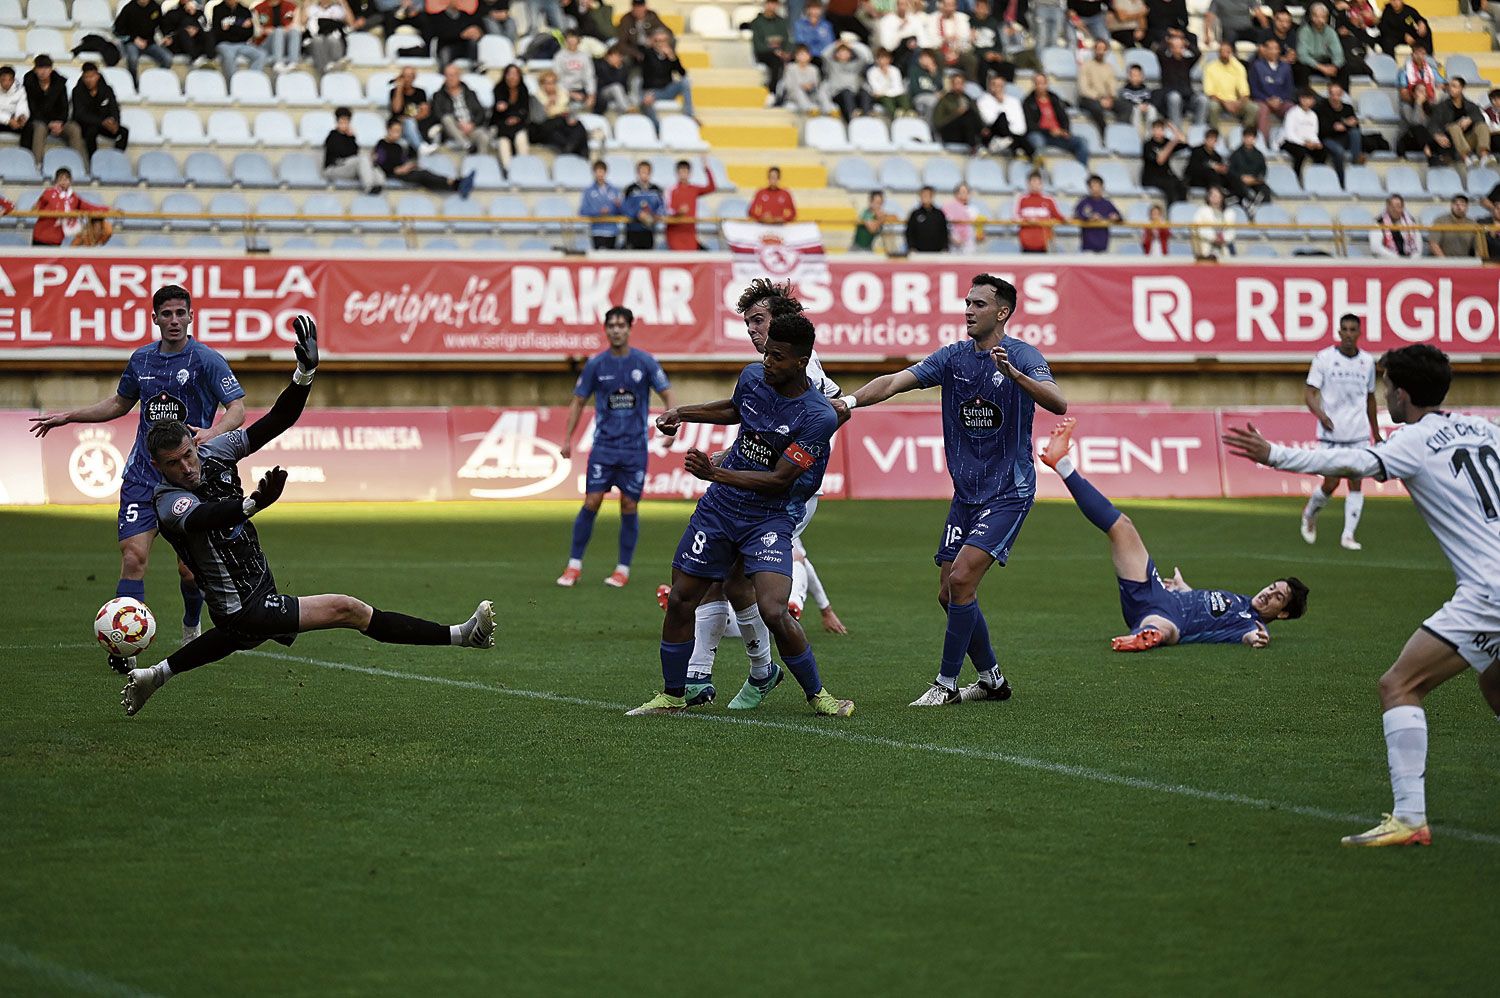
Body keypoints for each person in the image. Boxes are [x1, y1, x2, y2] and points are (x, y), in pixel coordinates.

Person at [120, 316, 496, 717]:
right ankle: (462, 636)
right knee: (347, 609)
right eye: (174, 464)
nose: (187, 467)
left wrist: (305, 373)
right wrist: (250, 505)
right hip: (241, 605)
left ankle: (155, 675)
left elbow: (277, 421)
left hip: (256, 590)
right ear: (159, 468)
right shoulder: (166, 499)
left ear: (195, 441)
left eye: (189, 454)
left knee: (234, 638)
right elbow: (202, 519)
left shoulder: (215, 451)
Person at [1223, 345, 1500, 847]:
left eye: (1387, 385)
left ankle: (1410, 820)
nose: (1384, 394)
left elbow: (1349, 460)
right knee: (1496, 688)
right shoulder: (1488, 431)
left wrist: (1275, 455)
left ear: (1404, 394)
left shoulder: (1414, 440)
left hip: (1489, 590)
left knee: (1400, 685)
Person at [837, 275, 1067, 706]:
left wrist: (1015, 376)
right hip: (967, 494)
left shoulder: (1023, 356)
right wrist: (848, 403)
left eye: (979, 304)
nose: (968, 310)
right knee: (948, 593)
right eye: (966, 302)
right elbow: (893, 381)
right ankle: (992, 679)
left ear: (1002, 312)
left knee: (961, 580)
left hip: (1009, 492)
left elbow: (1058, 402)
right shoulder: (953, 358)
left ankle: (945, 685)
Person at [633, 314, 854, 718]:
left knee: (773, 609)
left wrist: (713, 472)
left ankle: (819, 695)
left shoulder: (817, 416)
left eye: (778, 357)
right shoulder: (753, 376)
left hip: (768, 517)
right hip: (719, 510)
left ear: (801, 362)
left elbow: (779, 480)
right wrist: (682, 413)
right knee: (682, 598)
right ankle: (672, 695)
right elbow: (736, 408)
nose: (767, 361)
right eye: (767, 352)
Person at [29, 284, 246, 671]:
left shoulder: (207, 360)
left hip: (188, 479)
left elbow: (237, 409)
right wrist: (69, 416)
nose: (174, 321)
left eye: (181, 313)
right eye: (167, 314)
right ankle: (123, 649)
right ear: (155, 319)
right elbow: (118, 403)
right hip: (143, 477)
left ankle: (191, 624)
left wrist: (211, 435)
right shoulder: (142, 360)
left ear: (191, 317)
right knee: (134, 556)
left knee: (190, 570)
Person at [1040, 416, 1307, 655]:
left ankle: (1145, 635)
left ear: (1282, 614)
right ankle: (1061, 463)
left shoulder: (1251, 623)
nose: (1268, 594)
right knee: (1122, 527)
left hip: (1166, 616)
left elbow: (1253, 637)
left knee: (1165, 629)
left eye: (1277, 598)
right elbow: (1205, 611)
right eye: (1272, 587)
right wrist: (1184, 588)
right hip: (1157, 593)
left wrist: (1258, 638)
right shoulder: (1238, 600)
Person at [557, 307, 674, 589]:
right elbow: (578, 401)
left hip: (634, 449)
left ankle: (622, 569)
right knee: (592, 502)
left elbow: (667, 393)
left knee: (629, 504)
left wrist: (672, 426)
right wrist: (567, 439)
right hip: (604, 447)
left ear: (629, 328)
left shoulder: (644, 362)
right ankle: (574, 565)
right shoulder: (596, 365)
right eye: (611, 325)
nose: (616, 330)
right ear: (606, 329)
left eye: (621, 325)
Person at [1298, 314, 1380, 550]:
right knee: (1331, 483)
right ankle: (1310, 512)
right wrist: (1322, 416)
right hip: (1331, 433)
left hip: (1358, 433)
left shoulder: (1367, 361)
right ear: (1339, 332)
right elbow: (1309, 393)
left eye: (1353, 329)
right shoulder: (1324, 358)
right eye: (1344, 329)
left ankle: (1348, 535)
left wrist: (1375, 432)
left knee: (1356, 481)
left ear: (1359, 333)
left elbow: (1371, 399)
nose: (1348, 334)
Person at [372, 118, 476, 195]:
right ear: (388, 130)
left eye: (399, 131)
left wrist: (409, 165)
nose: (397, 134)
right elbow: (381, 163)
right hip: (392, 174)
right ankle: (456, 183)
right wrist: (396, 170)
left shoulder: (398, 146)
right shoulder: (381, 144)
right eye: (394, 131)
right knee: (424, 174)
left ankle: (455, 184)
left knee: (426, 175)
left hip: (403, 171)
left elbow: (402, 160)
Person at [20, 56, 86, 168]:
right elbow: (32, 109)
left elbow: (64, 107)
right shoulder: (29, 82)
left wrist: (60, 122)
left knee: (74, 128)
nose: (43, 72)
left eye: (46, 68)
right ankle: (37, 165)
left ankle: (79, 164)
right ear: (35, 69)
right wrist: (48, 123)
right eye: (40, 68)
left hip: (58, 121)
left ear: (51, 69)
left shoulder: (59, 83)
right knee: (40, 128)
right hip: (39, 120)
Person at [1427, 77, 1490, 180]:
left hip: (1468, 140)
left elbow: (1481, 117)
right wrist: (1437, 135)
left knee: (1482, 126)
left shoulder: (1470, 105)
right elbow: (1432, 124)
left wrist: (1470, 119)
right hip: (1452, 143)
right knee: (1454, 126)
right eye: (1450, 86)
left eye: (1455, 86)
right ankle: (1466, 158)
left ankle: (1484, 156)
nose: (1451, 89)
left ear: (1461, 88)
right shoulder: (1442, 106)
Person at [28, 167, 108, 247]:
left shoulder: (74, 198)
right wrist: (35, 208)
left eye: (66, 179)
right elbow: (36, 208)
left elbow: (89, 207)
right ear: (56, 181)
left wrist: (108, 209)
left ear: (70, 181)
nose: (63, 182)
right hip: (40, 236)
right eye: (60, 179)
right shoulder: (48, 193)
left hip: (56, 239)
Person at [1022, 73, 1089, 165]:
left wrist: (1064, 130)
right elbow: (1029, 125)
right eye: (1038, 83)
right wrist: (1049, 131)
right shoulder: (1028, 102)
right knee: (1037, 142)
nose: (1040, 86)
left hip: (1058, 135)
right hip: (1040, 134)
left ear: (1047, 84)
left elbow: (1064, 118)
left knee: (1082, 142)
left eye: (1043, 83)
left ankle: (1081, 172)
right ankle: (1039, 174)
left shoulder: (1055, 99)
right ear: (1034, 85)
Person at [640, 28, 696, 129]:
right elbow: (650, 74)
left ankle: (689, 115)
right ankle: (657, 128)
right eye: (658, 41)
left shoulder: (671, 56)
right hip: (653, 90)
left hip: (667, 89)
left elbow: (682, 73)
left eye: (663, 40)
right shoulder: (648, 54)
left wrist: (673, 58)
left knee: (685, 82)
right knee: (646, 101)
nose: (661, 43)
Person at [71, 62, 129, 156]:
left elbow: (114, 108)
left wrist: (115, 122)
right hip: (86, 125)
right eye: (86, 77)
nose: (89, 80)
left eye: (92, 76)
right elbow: (80, 114)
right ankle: (93, 161)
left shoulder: (107, 90)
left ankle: (117, 158)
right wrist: (102, 122)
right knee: (91, 132)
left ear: (97, 76)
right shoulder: (77, 91)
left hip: (104, 124)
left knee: (124, 132)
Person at [323, 106, 382, 194]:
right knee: (362, 159)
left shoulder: (350, 137)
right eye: (341, 121)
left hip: (347, 166)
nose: (344, 124)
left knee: (369, 161)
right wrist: (350, 139)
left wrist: (351, 138)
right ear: (337, 122)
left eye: (346, 121)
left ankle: (379, 185)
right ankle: (368, 187)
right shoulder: (332, 136)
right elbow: (342, 153)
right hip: (333, 169)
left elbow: (354, 152)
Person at [1203, 39, 1257, 132]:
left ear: (1232, 52)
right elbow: (1210, 93)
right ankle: (1214, 134)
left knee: (1253, 108)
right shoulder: (1210, 67)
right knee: (1213, 106)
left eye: (1227, 51)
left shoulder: (1239, 67)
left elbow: (1245, 92)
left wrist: (1239, 102)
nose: (1224, 54)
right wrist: (1225, 103)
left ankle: (1245, 135)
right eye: (1222, 51)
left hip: (1236, 102)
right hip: (1219, 102)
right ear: (1218, 53)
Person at [532, 70, 589, 157]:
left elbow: (569, 109)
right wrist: (548, 104)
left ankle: (582, 153)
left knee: (579, 126)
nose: (551, 86)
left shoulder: (562, 93)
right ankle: (569, 150)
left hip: (563, 121)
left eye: (553, 82)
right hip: (546, 124)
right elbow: (538, 118)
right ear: (542, 85)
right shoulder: (536, 97)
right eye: (548, 83)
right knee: (557, 131)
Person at [1153, 30, 1205, 126]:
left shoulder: (1187, 61)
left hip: (1187, 97)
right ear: (1171, 48)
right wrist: (1168, 41)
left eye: (1180, 47)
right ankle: (1177, 128)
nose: (1178, 49)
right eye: (1175, 47)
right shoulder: (1165, 61)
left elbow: (1197, 53)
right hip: (1170, 96)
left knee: (1202, 99)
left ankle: (1198, 128)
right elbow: (1159, 51)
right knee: (1175, 97)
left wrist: (1186, 43)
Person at [1248, 37, 1293, 145]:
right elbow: (1253, 89)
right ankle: (1263, 142)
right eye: (1270, 48)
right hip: (1262, 100)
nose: (1273, 51)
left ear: (1279, 51)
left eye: (1276, 48)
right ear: (1265, 50)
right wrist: (1267, 100)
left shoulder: (1286, 67)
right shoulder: (1256, 66)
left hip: (1280, 101)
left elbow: (1289, 88)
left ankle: (1288, 140)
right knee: (1262, 110)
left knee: (1293, 109)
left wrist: (1280, 99)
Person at [114, 0, 173, 82]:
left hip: (149, 43)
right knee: (133, 59)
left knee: (168, 58)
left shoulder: (155, 7)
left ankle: (157, 81)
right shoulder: (129, 8)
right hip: (132, 42)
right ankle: (134, 84)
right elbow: (117, 30)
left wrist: (166, 36)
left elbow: (162, 25)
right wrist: (134, 39)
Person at [665, 157, 716, 251]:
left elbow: (712, 188)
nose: (683, 174)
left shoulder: (694, 189)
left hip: (690, 233)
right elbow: (667, 211)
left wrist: (706, 169)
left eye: (685, 171)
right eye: (681, 172)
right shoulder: (671, 190)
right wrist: (678, 212)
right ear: (677, 173)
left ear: (690, 173)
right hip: (675, 233)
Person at [1282, 89, 1332, 180]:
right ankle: (1296, 177)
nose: (1308, 101)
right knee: (1300, 153)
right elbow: (1289, 134)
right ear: (1301, 99)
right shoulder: (1292, 113)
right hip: (1290, 142)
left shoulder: (1313, 115)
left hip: (1308, 143)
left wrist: (1316, 143)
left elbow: (1313, 133)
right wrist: (1304, 143)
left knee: (1323, 152)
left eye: (1310, 99)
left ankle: (1317, 176)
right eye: (1305, 99)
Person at [213, 0, 268, 80]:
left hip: (242, 44)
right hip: (224, 44)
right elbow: (217, 32)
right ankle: (233, 84)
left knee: (261, 55)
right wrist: (240, 26)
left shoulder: (245, 11)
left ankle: (251, 81)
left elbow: (249, 33)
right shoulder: (218, 9)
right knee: (229, 56)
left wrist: (230, 27)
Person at [751, 0, 794, 102]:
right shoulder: (757, 22)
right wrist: (774, 50)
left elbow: (787, 39)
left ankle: (789, 94)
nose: (772, 6)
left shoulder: (781, 21)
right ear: (765, 5)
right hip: (764, 53)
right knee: (776, 61)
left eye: (774, 4)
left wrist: (787, 52)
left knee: (797, 60)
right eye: (770, 3)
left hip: (780, 52)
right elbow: (757, 44)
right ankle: (772, 91)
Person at [820, 41, 872, 123]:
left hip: (854, 94)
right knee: (846, 92)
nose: (843, 54)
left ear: (850, 54)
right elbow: (824, 55)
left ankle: (867, 118)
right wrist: (835, 45)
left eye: (845, 52)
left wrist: (852, 46)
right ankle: (852, 120)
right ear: (836, 54)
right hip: (839, 95)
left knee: (864, 92)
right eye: (840, 52)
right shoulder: (832, 65)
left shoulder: (856, 65)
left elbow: (864, 57)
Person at [488, 64, 529, 169]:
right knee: (503, 143)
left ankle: (523, 167)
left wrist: (516, 118)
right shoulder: (498, 89)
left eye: (515, 74)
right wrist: (500, 109)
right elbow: (496, 114)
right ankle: (508, 170)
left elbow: (525, 111)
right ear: (505, 76)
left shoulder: (523, 90)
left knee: (521, 138)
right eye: (509, 74)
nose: (512, 77)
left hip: (518, 125)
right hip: (502, 126)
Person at [1297, 3, 1346, 89]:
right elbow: (1302, 56)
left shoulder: (1330, 32)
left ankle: (1341, 96)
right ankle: (1306, 98)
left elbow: (1338, 53)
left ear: (1327, 18)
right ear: (1311, 17)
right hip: (1310, 64)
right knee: (1301, 68)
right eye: (1316, 16)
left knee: (1343, 67)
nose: (1320, 20)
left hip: (1324, 61)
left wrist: (1334, 66)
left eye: (1323, 17)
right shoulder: (1304, 31)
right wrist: (1322, 68)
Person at [1077, 38, 1120, 133]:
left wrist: (1111, 98)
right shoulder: (1086, 66)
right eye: (1098, 49)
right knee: (1096, 107)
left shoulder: (1109, 67)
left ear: (1106, 51)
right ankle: (1104, 132)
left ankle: (1120, 132)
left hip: (1106, 99)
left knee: (1126, 106)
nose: (1100, 52)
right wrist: (1100, 99)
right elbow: (1083, 89)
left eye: (1103, 49)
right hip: (1089, 99)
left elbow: (1112, 85)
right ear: (1094, 50)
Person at [932, 71, 984, 150]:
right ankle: (974, 147)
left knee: (971, 114)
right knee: (968, 114)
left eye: (960, 83)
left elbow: (977, 116)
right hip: (950, 131)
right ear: (951, 85)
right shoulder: (945, 100)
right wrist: (956, 114)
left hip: (966, 131)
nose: (958, 86)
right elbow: (938, 123)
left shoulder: (969, 99)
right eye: (956, 83)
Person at [1015, 170, 1065, 253]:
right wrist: (1028, 221)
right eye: (1032, 182)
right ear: (1028, 183)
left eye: (1037, 183)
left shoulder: (1049, 200)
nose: (1035, 185)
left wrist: (1066, 218)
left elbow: (1058, 216)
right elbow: (1015, 218)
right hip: (1026, 243)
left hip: (1044, 243)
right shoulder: (1021, 199)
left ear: (1041, 184)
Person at [389, 66, 435, 154]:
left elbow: (424, 112)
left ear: (414, 78)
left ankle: (421, 147)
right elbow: (396, 109)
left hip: (417, 125)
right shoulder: (394, 92)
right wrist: (399, 89)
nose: (407, 79)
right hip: (400, 127)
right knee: (408, 122)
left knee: (410, 122)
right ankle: (421, 147)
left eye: (410, 76)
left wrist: (410, 118)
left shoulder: (421, 92)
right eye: (404, 76)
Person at [1317, 83, 1363, 169]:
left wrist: (1344, 125)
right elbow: (1322, 129)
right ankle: (1341, 179)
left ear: (1342, 94)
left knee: (1355, 133)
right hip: (1328, 138)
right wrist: (1337, 127)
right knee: (1339, 151)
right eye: (1332, 94)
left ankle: (1355, 164)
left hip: (1344, 138)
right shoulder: (1322, 108)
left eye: (1337, 94)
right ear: (1329, 94)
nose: (1335, 97)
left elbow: (1355, 126)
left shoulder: (1348, 108)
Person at [1141, 117, 1186, 204]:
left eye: (1161, 129)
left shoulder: (1166, 141)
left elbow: (1184, 141)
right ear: (1152, 130)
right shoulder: (1148, 145)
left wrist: (1173, 128)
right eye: (1156, 129)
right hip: (1151, 178)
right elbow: (1160, 160)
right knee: (1170, 186)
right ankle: (1171, 212)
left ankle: (1181, 211)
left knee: (1182, 185)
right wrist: (1173, 142)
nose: (1158, 132)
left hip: (1166, 175)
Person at [621, 159, 665, 249]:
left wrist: (656, 215)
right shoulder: (630, 189)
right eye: (642, 172)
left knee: (647, 259)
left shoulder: (656, 189)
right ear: (637, 173)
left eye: (646, 172)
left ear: (650, 173)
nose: (644, 175)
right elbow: (625, 207)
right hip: (633, 231)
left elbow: (662, 207)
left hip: (649, 231)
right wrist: (637, 214)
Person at [977, 72, 1025, 154]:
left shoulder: (1014, 102)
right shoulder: (983, 100)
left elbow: (1021, 126)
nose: (997, 88)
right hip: (994, 133)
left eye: (1000, 86)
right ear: (989, 86)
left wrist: (1010, 135)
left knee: (1021, 140)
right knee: (1002, 116)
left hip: (1012, 134)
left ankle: (1034, 157)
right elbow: (989, 120)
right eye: (994, 85)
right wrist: (1000, 103)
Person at [579, 159, 622, 250]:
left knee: (611, 260)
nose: (600, 174)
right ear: (594, 173)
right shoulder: (588, 191)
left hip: (612, 230)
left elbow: (621, 211)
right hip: (596, 230)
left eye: (602, 171)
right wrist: (598, 212)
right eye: (597, 171)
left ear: (606, 172)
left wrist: (618, 206)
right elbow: (583, 211)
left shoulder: (614, 190)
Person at [1074, 173, 1121, 252]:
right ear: (1089, 188)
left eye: (1097, 186)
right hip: (1087, 246)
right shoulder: (1083, 202)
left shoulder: (1107, 203)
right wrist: (1090, 218)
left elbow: (1119, 216)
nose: (1095, 189)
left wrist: (1115, 217)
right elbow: (1077, 215)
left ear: (1102, 187)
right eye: (1092, 186)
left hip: (1103, 245)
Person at [254, 0, 304, 74]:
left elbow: (297, 25)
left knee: (294, 31)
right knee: (279, 31)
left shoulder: (291, 7)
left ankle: (293, 63)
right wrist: (267, 30)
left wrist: (285, 30)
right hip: (266, 44)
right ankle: (278, 63)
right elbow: (256, 31)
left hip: (285, 42)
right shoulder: (258, 8)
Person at [1227, 126, 1270, 208]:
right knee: (1240, 189)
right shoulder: (1235, 154)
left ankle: (1262, 210)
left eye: (1251, 137)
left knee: (1265, 189)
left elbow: (1263, 170)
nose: (1249, 139)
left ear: (1255, 139)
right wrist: (1241, 177)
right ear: (1243, 138)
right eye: (1247, 137)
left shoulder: (1259, 155)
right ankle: (1248, 206)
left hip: (1254, 181)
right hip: (1239, 182)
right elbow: (1231, 170)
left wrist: (1255, 179)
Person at [162, 0, 215, 65]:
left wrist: (196, 28)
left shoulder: (198, 13)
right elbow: (167, 32)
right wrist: (184, 30)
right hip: (179, 43)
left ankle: (210, 59)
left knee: (208, 33)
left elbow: (205, 27)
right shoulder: (172, 13)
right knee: (183, 33)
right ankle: (195, 59)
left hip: (196, 42)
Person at [779, 44, 829, 113]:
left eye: (805, 54)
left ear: (809, 56)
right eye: (800, 54)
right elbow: (788, 85)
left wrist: (810, 86)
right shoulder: (791, 68)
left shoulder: (813, 69)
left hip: (810, 93)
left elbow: (816, 84)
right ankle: (808, 109)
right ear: (796, 56)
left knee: (822, 91)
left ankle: (828, 110)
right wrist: (802, 86)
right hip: (793, 94)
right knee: (798, 91)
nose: (803, 57)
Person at [1190, 185, 1235, 260]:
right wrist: (1213, 238)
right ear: (1208, 197)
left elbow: (1232, 231)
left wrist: (1223, 238)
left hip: (1224, 244)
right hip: (1206, 243)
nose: (1214, 198)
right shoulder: (1202, 210)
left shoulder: (1230, 212)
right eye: (1212, 195)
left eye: (1217, 195)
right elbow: (1196, 229)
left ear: (1222, 197)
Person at [1427, 194, 1480, 258]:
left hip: (1464, 262)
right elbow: (1433, 244)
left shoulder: (1472, 224)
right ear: (1451, 206)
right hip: (1442, 262)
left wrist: (1478, 261)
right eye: (1456, 204)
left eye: (1463, 205)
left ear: (1467, 207)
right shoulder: (1440, 221)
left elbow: (1478, 247)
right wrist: (1445, 262)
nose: (1459, 207)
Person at [1369, 193, 1421, 258]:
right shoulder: (1378, 223)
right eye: (1392, 207)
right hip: (1387, 262)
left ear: (1403, 207)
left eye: (1398, 207)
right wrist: (1396, 259)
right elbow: (1375, 247)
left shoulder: (1411, 222)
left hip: (1410, 263)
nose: (1395, 210)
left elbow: (1418, 247)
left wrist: (1413, 260)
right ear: (1387, 207)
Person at [555, 30, 596, 108]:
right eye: (569, 39)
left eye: (574, 39)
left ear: (579, 41)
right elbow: (557, 78)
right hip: (565, 90)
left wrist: (591, 95)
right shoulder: (559, 57)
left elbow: (589, 76)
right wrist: (569, 93)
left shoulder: (585, 56)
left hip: (581, 89)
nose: (572, 42)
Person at [866, 47, 909, 117]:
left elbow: (899, 88)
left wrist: (886, 92)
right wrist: (886, 93)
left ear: (890, 59)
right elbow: (876, 89)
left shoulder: (895, 70)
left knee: (903, 98)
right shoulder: (872, 72)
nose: (883, 61)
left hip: (894, 94)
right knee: (887, 100)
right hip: (882, 98)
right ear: (877, 60)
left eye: (885, 58)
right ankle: (895, 116)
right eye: (881, 58)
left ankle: (909, 114)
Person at [904, 185, 949, 252]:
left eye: (927, 195)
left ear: (932, 196)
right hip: (919, 251)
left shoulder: (939, 214)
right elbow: (909, 232)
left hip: (937, 251)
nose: (924, 197)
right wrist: (911, 247)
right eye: (923, 195)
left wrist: (944, 247)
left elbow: (944, 232)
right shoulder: (915, 214)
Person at [943, 182, 979, 254]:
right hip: (953, 247)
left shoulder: (974, 210)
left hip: (969, 247)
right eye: (962, 192)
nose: (965, 195)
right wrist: (951, 238)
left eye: (967, 192)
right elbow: (945, 227)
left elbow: (977, 229)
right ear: (956, 194)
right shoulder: (948, 208)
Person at [0, 65, 28, 145]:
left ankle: (25, 154)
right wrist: (8, 120)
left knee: (29, 128)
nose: (7, 83)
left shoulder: (21, 89)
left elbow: (22, 105)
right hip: (2, 120)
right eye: (3, 80)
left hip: (15, 121)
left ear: (13, 79)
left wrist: (21, 117)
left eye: (10, 80)